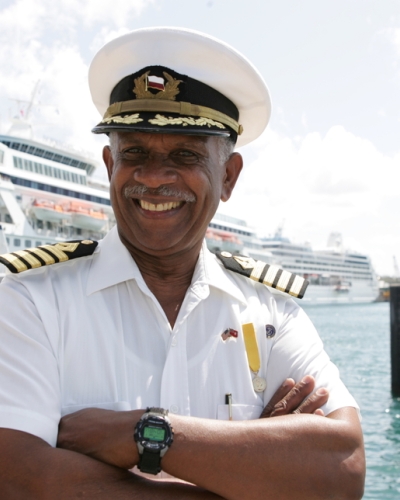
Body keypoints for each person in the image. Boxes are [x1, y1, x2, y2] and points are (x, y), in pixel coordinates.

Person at [0, 27, 365, 499]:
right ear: (110, 166)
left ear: (228, 177)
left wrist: (142, 434)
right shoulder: (29, 299)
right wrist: (250, 471)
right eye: (134, 153)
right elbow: (18, 480)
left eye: (186, 154)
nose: (154, 177)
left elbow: (343, 467)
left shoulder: (272, 312)